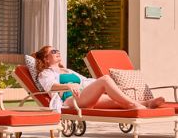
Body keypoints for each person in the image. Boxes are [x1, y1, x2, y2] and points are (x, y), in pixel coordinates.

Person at [33, 45, 164, 112]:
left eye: (57, 50)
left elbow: (85, 81)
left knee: (116, 100)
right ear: (46, 58)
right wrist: (69, 86)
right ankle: (133, 105)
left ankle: (147, 104)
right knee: (105, 79)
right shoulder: (45, 73)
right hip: (69, 100)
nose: (58, 52)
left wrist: (110, 88)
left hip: (84, 94)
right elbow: (50, 86)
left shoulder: (67, 70)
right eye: (53, 52)